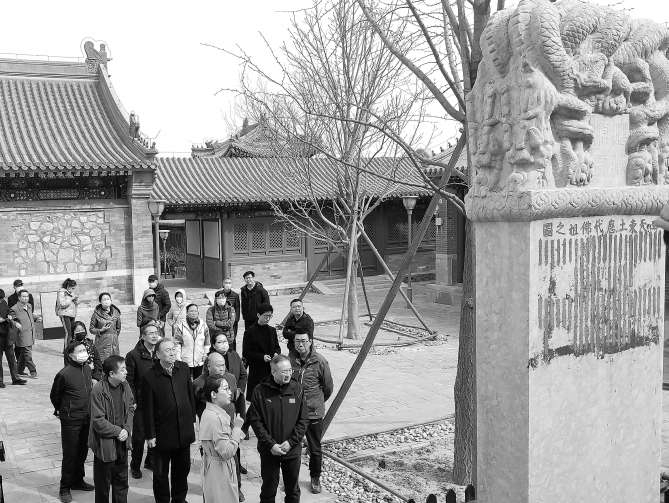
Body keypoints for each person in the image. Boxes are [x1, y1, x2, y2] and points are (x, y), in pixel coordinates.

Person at [248, 354, 309, 503]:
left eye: (290, 370)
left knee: (292, 490)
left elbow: (303, 419)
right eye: (283, 371)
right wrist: (271, 444)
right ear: (273, 372)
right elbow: (256, 421)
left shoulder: (298, 389)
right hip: (269, 451)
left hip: (292, 450)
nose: (288, 374)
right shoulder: (260, 391)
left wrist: (291, 442)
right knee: (268, 489)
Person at [142, 338, 195, 503]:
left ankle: (179, 499)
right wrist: (150, 435)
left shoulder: (183, 368)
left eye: (173, 349)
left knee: (182, 470)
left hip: (183, 431)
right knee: (160, 474)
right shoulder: (150, 376)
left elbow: (190, 396)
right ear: (158, 354)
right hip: (162, 434)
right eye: (167, 350)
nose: (172, 353)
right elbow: (147, 408)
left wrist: (192, 420)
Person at [50, 341, 95, 503]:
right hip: (71, 420)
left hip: (87, 418)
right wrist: (62, 410)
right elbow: (55, 396)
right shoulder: (64, 374)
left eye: (84, 350)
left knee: (82, 452)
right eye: (79, 350)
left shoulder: (87, 369)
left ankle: (78, 480)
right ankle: (64, 488)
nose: (84, 352)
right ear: (70, 355)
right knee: (70, 454)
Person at [289, 333, 334, 493]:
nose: (300, 344)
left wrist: (316, 402)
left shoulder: (320, 361)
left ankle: (315, 478)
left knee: (315, 448)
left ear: (310, 342)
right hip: (294, 413)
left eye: (303, 341)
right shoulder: (290, 360)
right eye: (297, 341)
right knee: (293, 447)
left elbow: (328, 388)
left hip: (313, 413)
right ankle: (291, 480)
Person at [89, 355, 135, 503]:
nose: (126, 372)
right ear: (111, 374)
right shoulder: (98, 390)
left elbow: (130, 408)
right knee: (103, 486)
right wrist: (118, 431)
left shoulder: (125, 385)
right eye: (122, 369)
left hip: (122, 443)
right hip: (105, 446)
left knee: (121, 483)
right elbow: (98, 421)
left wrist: (126, 429)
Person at [199, 376, 245, 503]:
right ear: (213, 394)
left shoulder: (208, 412)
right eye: (225, 389)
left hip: (212, 466)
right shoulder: (216, 418)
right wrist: (237, 428)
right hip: (220, 469)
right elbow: (227, 452)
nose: (230, 392)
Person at [126, 322, 160, 479]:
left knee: (156, 432)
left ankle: (150, 461)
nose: (154, 335)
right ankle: (135, 465)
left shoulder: (159, 352)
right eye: (151, 333)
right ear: (143, 336)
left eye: (156, 332)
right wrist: (133, 399)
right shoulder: (133, 355)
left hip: (157, 401)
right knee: (139, 437)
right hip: (140, 402)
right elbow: (129, 381)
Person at [242, 303, 281, 404]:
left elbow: (277, 347)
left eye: (270, 316)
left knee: (271, 398)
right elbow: (246, 352)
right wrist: (261, 357)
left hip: (271, 369)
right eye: (265, 316)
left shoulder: (272, 330)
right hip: (256, 370)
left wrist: (276, 353)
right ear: (258, 315)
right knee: (257, 399)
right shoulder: (250, 332)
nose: (268, 318)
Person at [193, 352, 237, 419]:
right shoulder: (198, 383)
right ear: (209, 366)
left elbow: (235, 400)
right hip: (209, 421)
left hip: (229, 420)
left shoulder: (231, 378)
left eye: (223, 365)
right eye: (218, 366)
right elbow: (194, 407)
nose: (222, 369)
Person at [174, 303, 210, 379]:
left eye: (195, 311)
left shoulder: (203, 325)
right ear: (187, 313)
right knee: (185, 381)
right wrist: (178, 358)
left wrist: (205, 354)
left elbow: (207, 342)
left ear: (198, 312)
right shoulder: (181, 326)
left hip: (199, 359)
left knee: (198, 381)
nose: (193, 313)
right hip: (185, 360)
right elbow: (177, 343)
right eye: (191, 311)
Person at [10, 289, 41, 378]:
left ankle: (19, 370)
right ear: (19, 298)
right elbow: (11, 320)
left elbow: (30, 316)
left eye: (27, 296)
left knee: (24, 354)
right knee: (27, 353)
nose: (26, 298)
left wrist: (36, 318)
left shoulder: (29, 306)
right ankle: (33, 371)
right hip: (22, 334)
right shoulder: (14, 309)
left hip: (30, 333)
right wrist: (16, 323)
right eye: (23, 296)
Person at [0, 289, 25, 387]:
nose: (1, 301)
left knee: (12, 359)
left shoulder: (3, 302)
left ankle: (16, 379)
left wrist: (11, 316)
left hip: (7, 335)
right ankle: (0, 381)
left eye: (2, 299)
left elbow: (9, 311)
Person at [89, 293, 122, 362]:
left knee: (114, 363)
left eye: (108, 299)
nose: (106, 301)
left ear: (111, 300)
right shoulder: (96, 314)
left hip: (114, 343)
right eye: (104, 299)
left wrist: (113, 336)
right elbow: (91, 329)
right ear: (100, 302)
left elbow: (118, 328)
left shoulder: (116, 313)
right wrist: (101, 330)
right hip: (102, 343)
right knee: (103, 362)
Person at [56, 278, 79, 349]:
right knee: (68, 332)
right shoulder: (61, 292)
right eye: (72, 288)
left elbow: (73, 304)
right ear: (68, 286)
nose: (73, 290)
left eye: (74, 288)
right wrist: (71, 298)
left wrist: (76, 301)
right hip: (64, 314)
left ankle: (69, 349)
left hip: (72, 314)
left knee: (71, 332)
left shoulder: (71, 293)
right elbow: (62, 304)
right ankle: (66, 350)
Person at [221, 278, 240, 346]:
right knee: (222, 338)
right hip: (222, 320)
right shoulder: (219, 294)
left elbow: (237, 308)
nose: (228, 284)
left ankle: (233, 352)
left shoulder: (235, 295)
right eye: (226, 283)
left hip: (232, 321)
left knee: (232, 338)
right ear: (223, 284)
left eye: (229, 283)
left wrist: (236, 320)